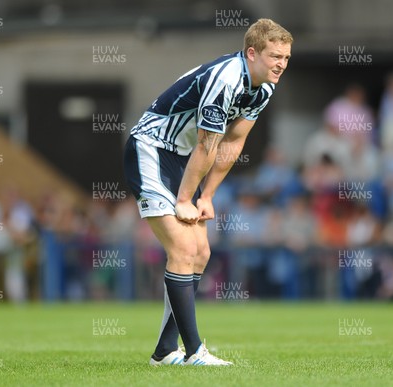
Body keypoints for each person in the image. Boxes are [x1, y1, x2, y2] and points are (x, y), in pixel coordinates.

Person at [123, 18, 293, 366]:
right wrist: (185, 199)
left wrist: (208, 196)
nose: (281, 64)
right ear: (252, 53)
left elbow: (233, 141)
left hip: (180, 158)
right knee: (183, 248)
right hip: (151, 149)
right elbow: (206, 143)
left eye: (286, 58)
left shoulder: (263, 87)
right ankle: (195, 352)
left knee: (200, 252)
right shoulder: (227, 78)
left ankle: (165, 352)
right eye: (275, 56)